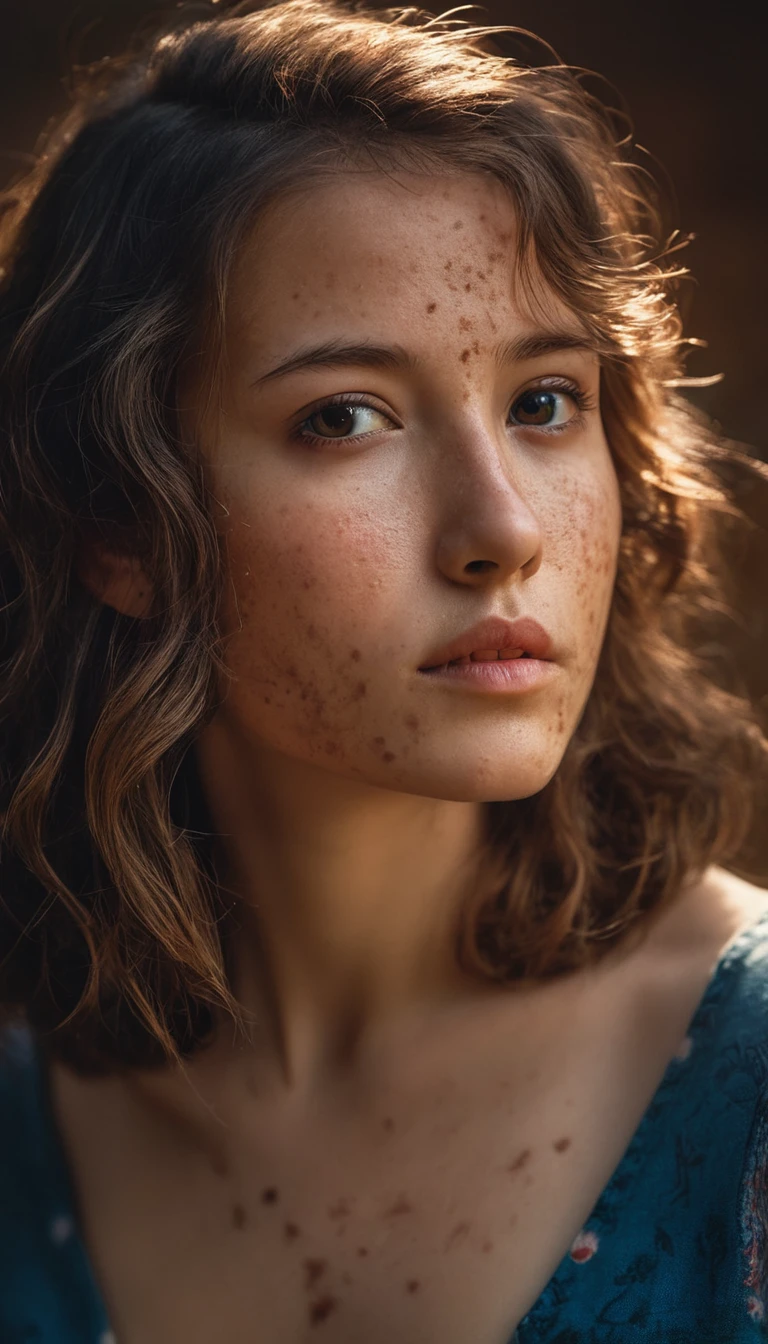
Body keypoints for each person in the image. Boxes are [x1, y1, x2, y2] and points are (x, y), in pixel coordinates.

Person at [0, 1, 766, 1339]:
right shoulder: (26, 1130)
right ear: (116, 527)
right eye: (345, 417)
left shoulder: (746, 1087)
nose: (504, 530)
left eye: (544, 402)